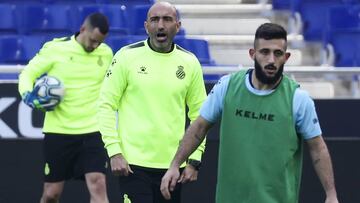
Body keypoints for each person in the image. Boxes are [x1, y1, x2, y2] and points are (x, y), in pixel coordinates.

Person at [160, 23, 339, 203]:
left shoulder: (298, 99)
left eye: (277, 54)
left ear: (286, 57)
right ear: (252, 54)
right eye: (264, 52)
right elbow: (198, 128)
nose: (271, 60)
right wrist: (175, 164)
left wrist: (331, 195)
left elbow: (317, 148)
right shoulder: (227, 86)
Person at [97, 1, 207, 203]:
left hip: (174, 166)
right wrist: (114, 151)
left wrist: (194, 159)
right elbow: (106, 105)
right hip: (133, 166)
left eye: (167, 19)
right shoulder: (126, 57)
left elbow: (200, 116)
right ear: (146, 26)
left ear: (177, 26)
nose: (161, 25)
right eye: (155, 20)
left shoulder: (190, 63)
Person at [18, 13, 113, 203]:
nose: (95, 46)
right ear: (83, 29)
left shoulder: (106, 53)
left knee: (98, 184)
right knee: (52, 194)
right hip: (59, 131)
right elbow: (28, 73)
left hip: (93, 130)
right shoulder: (56, 49)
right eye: (93, 40)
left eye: (99, 42)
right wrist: (28, 95)